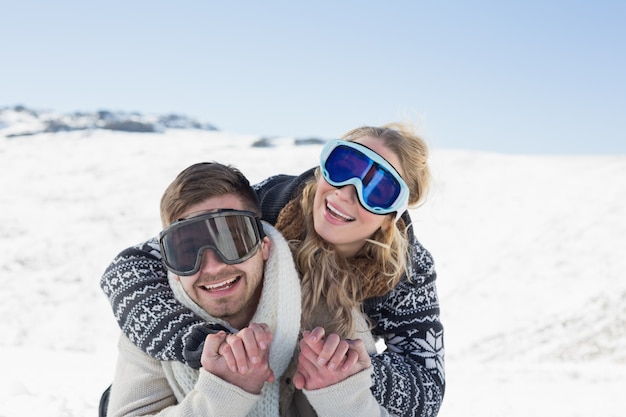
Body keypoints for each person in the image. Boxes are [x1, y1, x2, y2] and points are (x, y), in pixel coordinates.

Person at [101, 122, 445, 417]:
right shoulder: (273, 201)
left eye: (378, 190)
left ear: (394, 214)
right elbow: (133, 268)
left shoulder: (405, 271)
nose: (347, 193)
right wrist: (209, 345)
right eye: (343, 166)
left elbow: (427, 387)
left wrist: (352, 370)